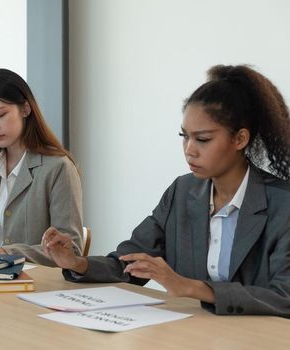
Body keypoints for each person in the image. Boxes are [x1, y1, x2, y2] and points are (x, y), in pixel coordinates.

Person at [42, 64, 290, 317]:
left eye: (202, 139)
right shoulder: (182, 192)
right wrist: (77, 262)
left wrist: (192, 288)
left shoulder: (283, 205)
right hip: (192, 334)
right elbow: (130, 262)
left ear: (240, 139)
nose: (189, 149)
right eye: (184, 136)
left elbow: (285, 297)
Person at [0, 68, 83, 266]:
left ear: (25, 109)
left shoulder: (58, 168)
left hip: (37, 284)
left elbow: (72, 249)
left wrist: (2, 252)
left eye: (0, 114)